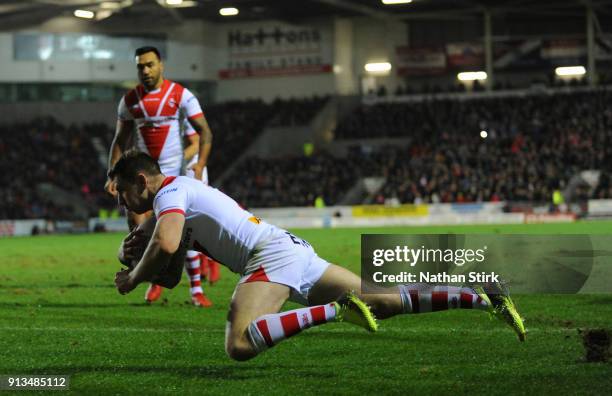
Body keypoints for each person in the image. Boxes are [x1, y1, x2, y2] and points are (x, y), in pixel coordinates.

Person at [110, 151, 526, 362]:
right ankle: (482, 295)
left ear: (141, 181)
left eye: (124, 193)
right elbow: (168, 273)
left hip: (267, 256)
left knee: (239, 344)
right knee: (385, 302)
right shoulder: (173, 205)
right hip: (286, 248)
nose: (125, 203)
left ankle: (335, 310)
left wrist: (130, 279)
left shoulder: (170, 194)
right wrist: (134, 259)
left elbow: (164, 244)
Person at [104, 46, 214, 307]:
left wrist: (200, 165)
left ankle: (196, 290)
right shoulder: (130, 101)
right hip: (143, 179)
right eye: (140, 66)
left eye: (150, 64)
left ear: (161, 64)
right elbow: (120, 139)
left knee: (183, 230)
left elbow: (205, 132)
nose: (145, 70)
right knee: (138, 225)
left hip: (172, 175)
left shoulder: (181, 95)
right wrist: (112, 176)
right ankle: (153, 279)